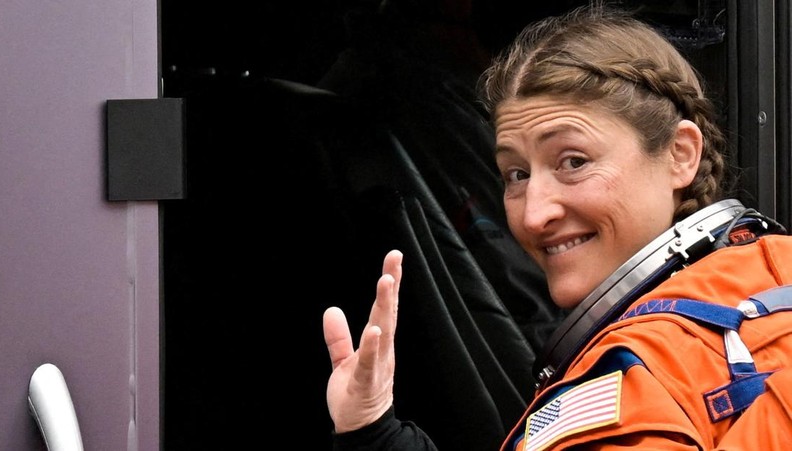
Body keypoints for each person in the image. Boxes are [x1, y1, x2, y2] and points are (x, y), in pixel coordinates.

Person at [322, 4, 792, 451]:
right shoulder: (774, 270)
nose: (533, 215)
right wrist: (374, 428)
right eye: (517, 175)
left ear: (680, 154)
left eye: (573, 162)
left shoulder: (628, 390)